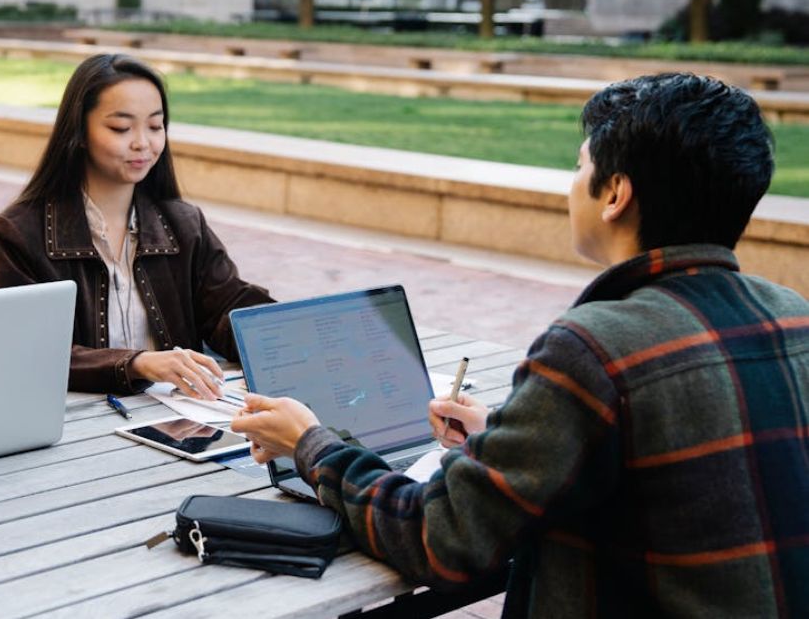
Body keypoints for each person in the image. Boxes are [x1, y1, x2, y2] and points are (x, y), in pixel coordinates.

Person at [231, 73, 809, 617]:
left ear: (614, 194)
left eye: (578, 166)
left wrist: (310, 445)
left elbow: (441, 539)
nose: (570, 184)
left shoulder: (593, 349)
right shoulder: (795, 318)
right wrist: (504, 443)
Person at [0, 54, 273, 398]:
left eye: (155, 126)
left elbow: (230, 308)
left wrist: (283, 330)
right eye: (121, 128)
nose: (142, 143)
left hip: (179, 421)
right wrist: (137, 364)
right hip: (71, 427)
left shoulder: (184, 225)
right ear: (79, 132)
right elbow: (18, 351)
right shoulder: (16, 235)